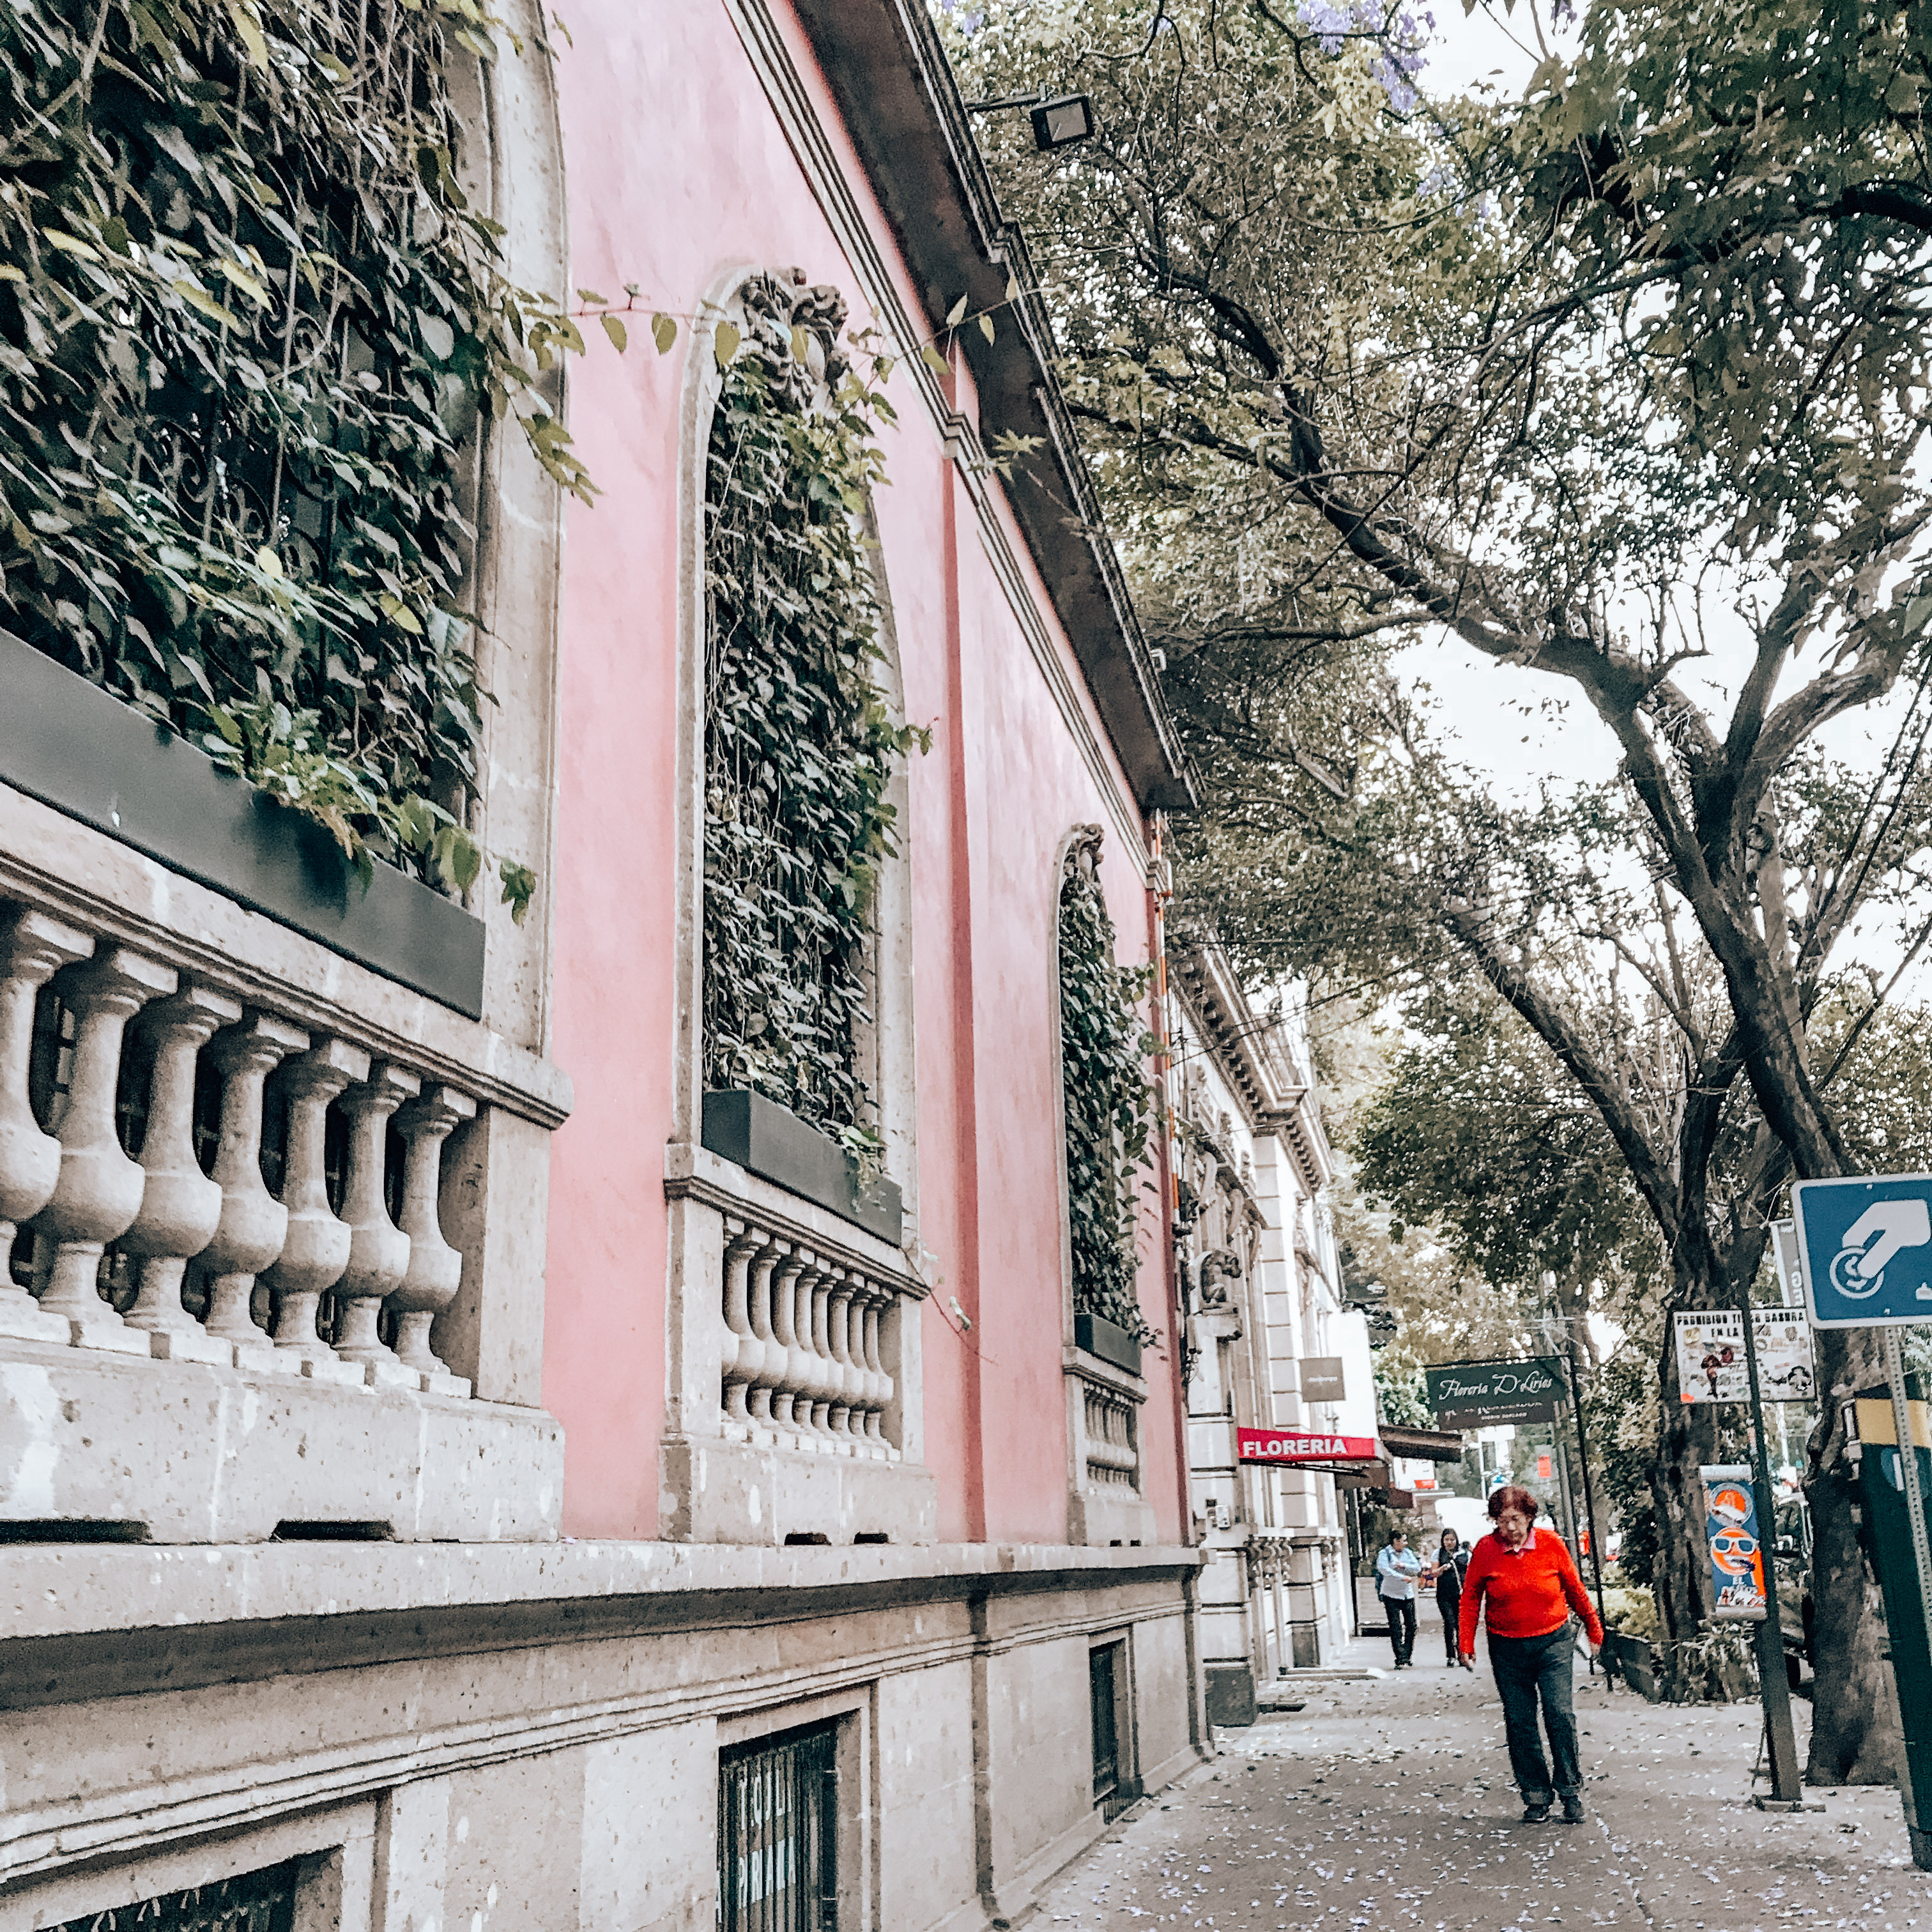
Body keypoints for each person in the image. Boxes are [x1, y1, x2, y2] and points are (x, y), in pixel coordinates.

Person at [1459, 1485, 1604, 1824]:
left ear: (1529, 1518)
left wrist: (1594, 1629)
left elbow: (1575, 1589)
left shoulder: (1552, 1545)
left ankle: (1570, 1791)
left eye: (1515, 1519)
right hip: (1507, 1647)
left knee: (1559, 1714)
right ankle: (1536, 1795)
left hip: (1553, 1642)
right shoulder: (1485, 1550)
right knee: (1520, 1722)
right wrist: (1465, 1643)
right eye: (1501, 1520)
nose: (1509, 1528)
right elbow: (1470, 1599)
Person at [1376, 1529, 1422, 1667]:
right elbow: (1383, 1569)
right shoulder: (1385, 1554)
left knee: (1411, 1625)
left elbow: (1417, 1568)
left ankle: (1407, 1654)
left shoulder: (1408, 1553)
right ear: (1395, 1541)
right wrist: (1401, 1576)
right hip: (1391, 1594)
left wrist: (1404, 1566)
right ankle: (1400, 1657)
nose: (1405, 1543)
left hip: (1407, 1594)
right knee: (1395, 1627)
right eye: (1403, 1540)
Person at [1427, 1528, 1471, 1667]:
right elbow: (1433, 1573)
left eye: (1452, 1540)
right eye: (1447, 1540)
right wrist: (1440, 1571)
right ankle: (1450, 1655)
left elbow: (1470, 1572)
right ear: (1443, 1540)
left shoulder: (1464, 1554)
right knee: (1449, 1622)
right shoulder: (1438, 1553)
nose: (1449, 1542)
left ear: (1456, 1540)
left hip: (1459, 1593)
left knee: (1460, 1625)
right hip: (1444, 1594)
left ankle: (1462, 1654)